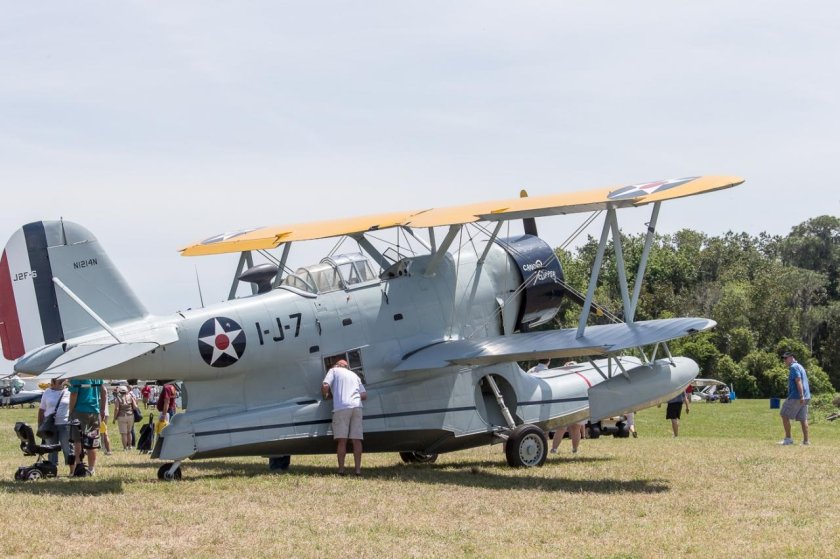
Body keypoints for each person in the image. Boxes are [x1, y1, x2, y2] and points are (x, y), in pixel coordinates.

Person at [322, 359, 367, 475]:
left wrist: (325, 395)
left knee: (342, 440)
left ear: (337, 365)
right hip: (357, 407)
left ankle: (341, 470)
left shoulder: (333, 371)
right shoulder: (354, 375)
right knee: (356, 440)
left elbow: (325, 385)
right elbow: (364, 395)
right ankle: (357, 470)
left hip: (342, 407)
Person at [68, 378, 107, 476]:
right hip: (95, 411)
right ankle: (91, 469)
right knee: (92, 442)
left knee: (77, 441)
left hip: (80, 411)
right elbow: (104, 391)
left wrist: (70, 411)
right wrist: (102, 409)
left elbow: (73, 394)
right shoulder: (96, 375)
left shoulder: (78, 376)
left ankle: (79, 467)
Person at [38, 378, 74, 475]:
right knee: (51, 449)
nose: (62, 381)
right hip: (50, 425)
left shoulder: (69, 391)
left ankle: (72, 471)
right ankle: (52, 471)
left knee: (68, 448)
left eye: (63, 380)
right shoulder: (47, 392)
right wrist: (40, 426)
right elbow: (41, 409)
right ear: (53, 381)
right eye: (59, 380)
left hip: (65, 424)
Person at [779, 352, 811, 446]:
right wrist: (804, 396)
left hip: (797, 396)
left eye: (786, 358)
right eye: (783, 359)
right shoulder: (800, 366)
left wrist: (801, 395)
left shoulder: (794, 367)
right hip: (806, 396)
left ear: (792, 357)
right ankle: (806, 441)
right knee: (803, 419)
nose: (784, 360)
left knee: (784, 414)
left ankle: (788, 439)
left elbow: (798, 380)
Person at [113, 385, 138, 450]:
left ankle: (125, 448)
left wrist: (114, 418)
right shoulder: (131, 396)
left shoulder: (117, 398)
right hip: (130, 415)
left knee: (123, 433)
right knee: (129, 432)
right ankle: (130, 446)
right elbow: (135, 407)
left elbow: (117, 409)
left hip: (121, 416)